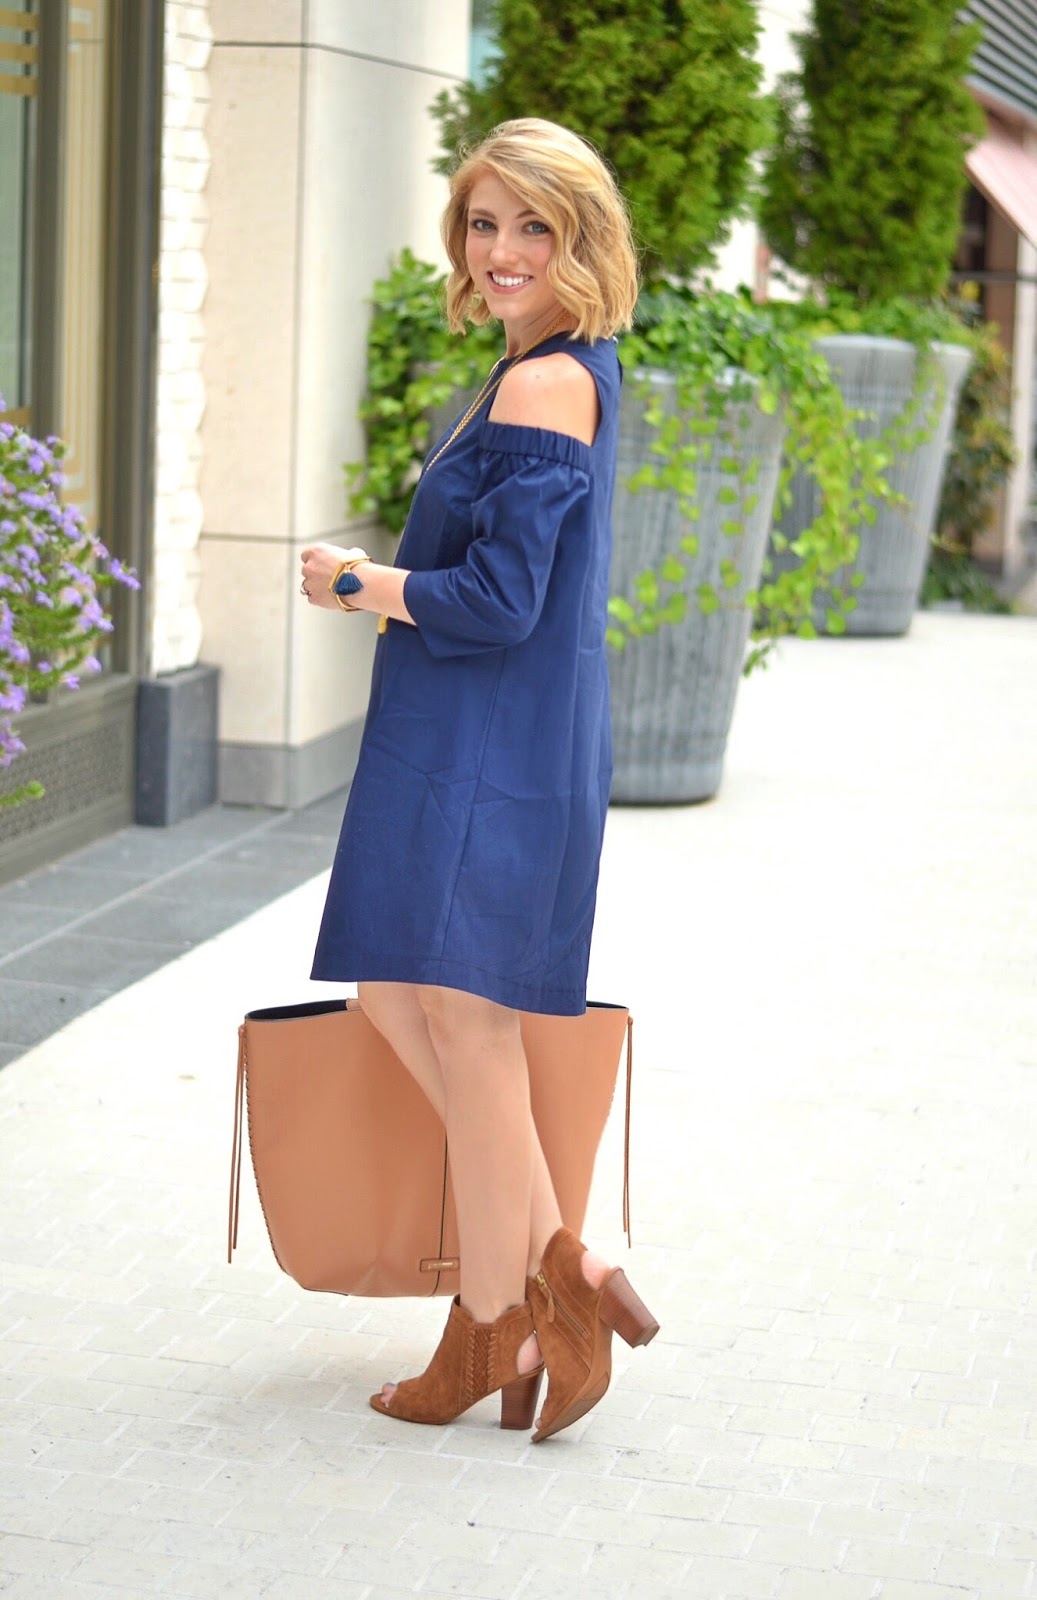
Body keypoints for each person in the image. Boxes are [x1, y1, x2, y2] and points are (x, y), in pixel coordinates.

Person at [299, 117, 658, 1441]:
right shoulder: (538, 367)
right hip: (481, 738)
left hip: (488, 750)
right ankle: (566, 1268)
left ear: (581, 241)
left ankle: (491, 1326)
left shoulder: (545, 385)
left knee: (468, 1026)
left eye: (532, 227)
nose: (500, 250)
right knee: (399, 993)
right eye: (483, 222)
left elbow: (500, 600)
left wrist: (359, 582)